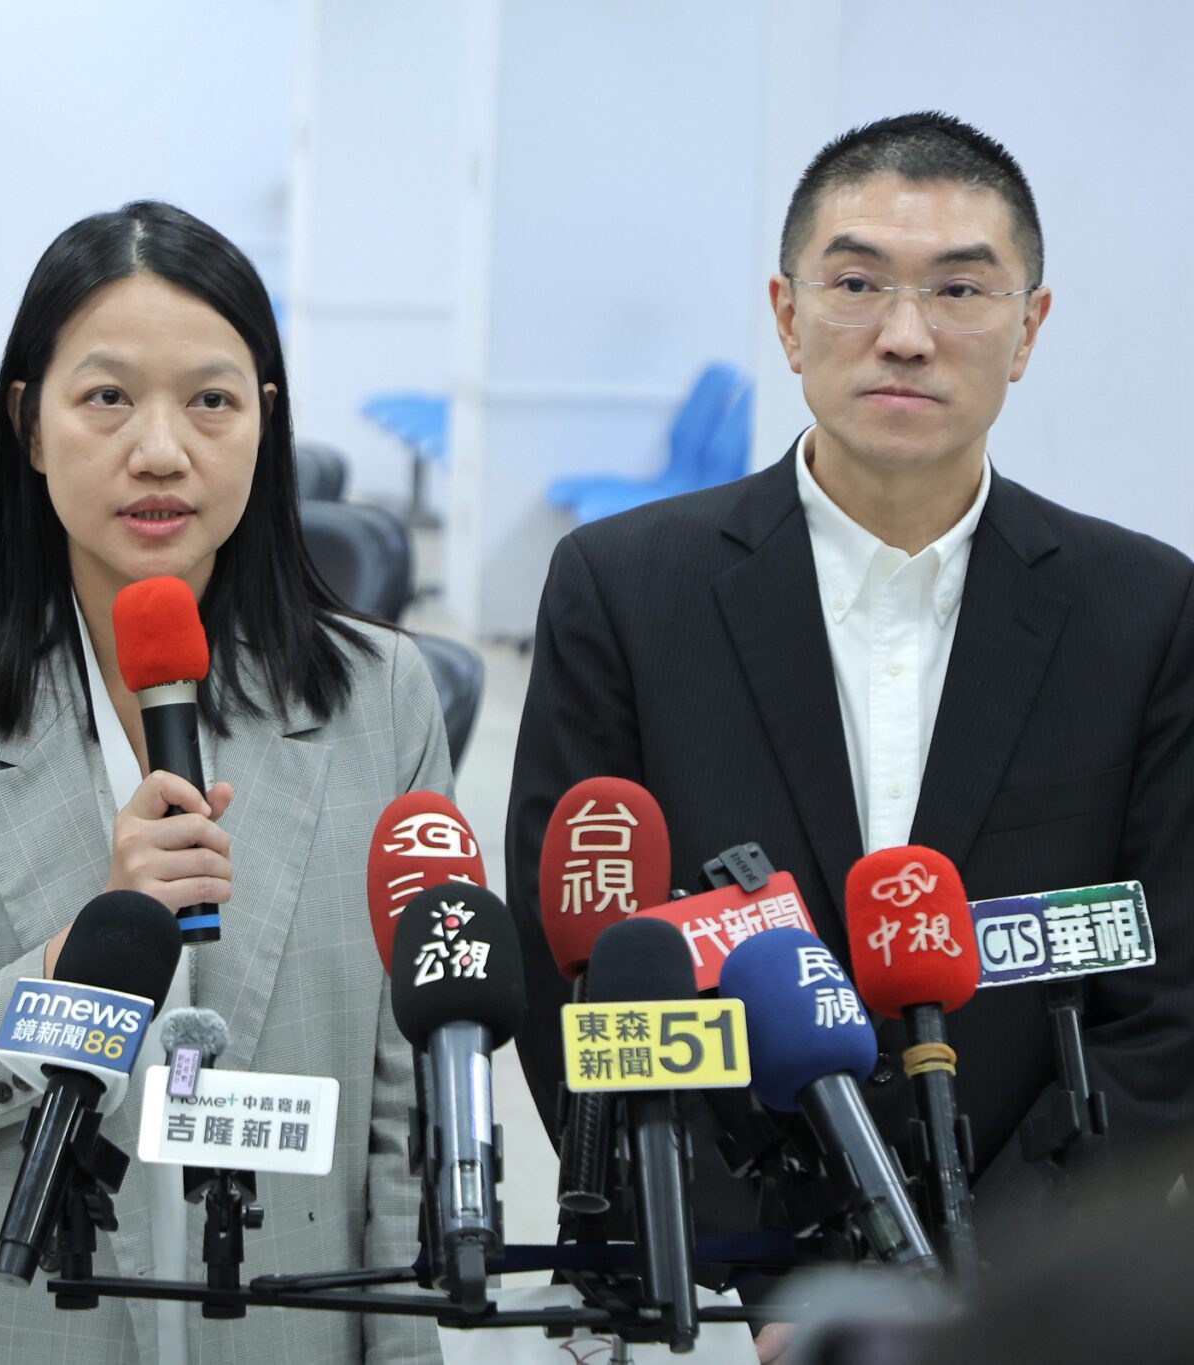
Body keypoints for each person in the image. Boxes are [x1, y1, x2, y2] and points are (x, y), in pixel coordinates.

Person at [507, 110, 1193, 1330]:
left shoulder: (1140, 610)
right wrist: (768, 1276)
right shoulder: (624, 589)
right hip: (723, 1295)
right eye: (856, 282)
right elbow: (571, 966)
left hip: (1031, 1297)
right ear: (786, 315)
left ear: (1028, 328)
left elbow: (1166, 992)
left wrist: (991, 1292)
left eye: (959, 290)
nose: (904, 334)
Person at [0, 200, 448, 1364]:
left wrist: (404, 1349)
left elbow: (406, 1104)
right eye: (106, 397)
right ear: (29, 424)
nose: (160, 449)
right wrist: (73, 968)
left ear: (265, 421)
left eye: (210, 401)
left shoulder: (381, 700)